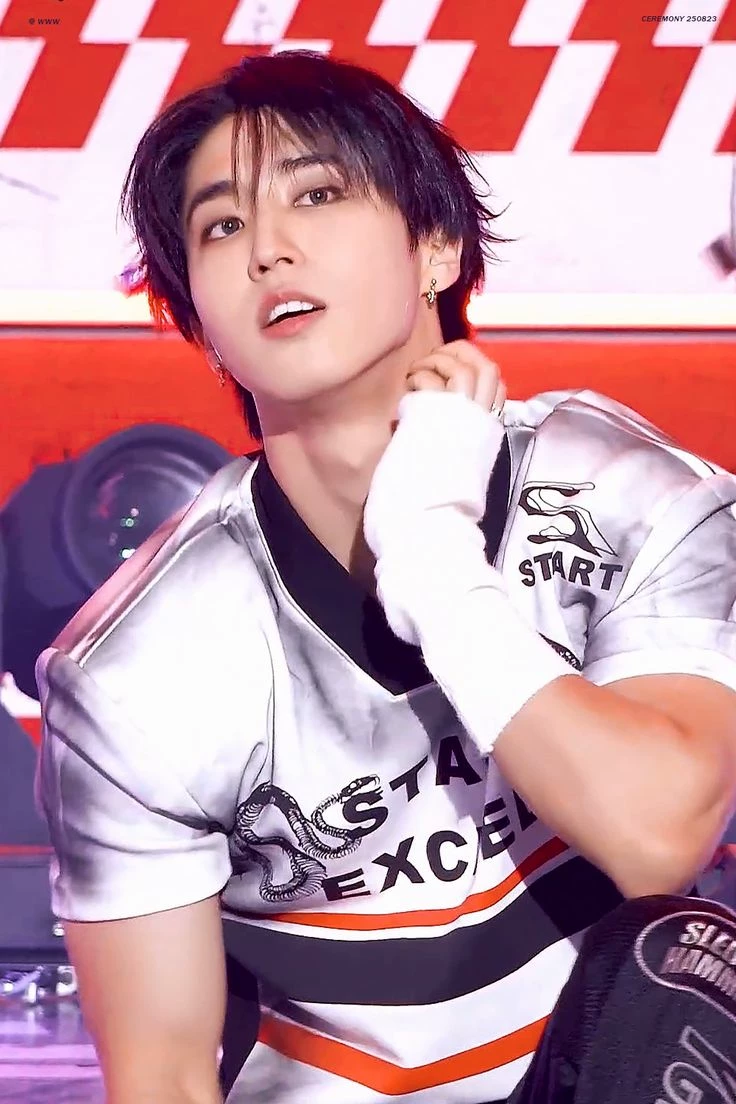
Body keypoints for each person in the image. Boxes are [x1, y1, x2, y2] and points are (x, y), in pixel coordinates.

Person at [35, 51, 736, 1104]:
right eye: (221, 226)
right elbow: (163, 1074)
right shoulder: (132, 666)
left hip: (605, 1074)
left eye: (318, 195)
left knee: (676, 969)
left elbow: (655, 837)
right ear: (194, 313)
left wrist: (430, 553)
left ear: (436, 248)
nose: (268, 249)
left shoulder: (627, 491)